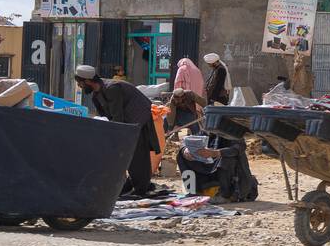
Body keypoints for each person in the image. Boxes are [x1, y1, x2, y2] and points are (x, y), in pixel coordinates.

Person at [74, 65, 159, 197]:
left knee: (137, 154)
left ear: (87, 81)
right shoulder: (96, 95)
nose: (80, 86)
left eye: (80, 83)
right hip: (126, 121)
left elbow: (117, 117)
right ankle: (132, 183)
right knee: (126, 154)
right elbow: (106, 117)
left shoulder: (112, 88)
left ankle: (141, 188)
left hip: (138, 118)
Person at [176, 133, 258, 202]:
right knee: (182, 155)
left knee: (227, 158)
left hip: (229, 174)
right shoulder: (206, 126)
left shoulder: (232, 128)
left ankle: (225, 195)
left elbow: (239, 148)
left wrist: (216, 153)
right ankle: (192, 191)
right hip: (209, 167)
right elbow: (188, 140)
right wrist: (185, 150)